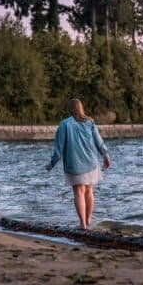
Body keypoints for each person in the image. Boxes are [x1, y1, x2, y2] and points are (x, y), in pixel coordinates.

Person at [46, 98, 111, 230]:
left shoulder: (64, 125)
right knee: (89, 191)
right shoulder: (90, 122)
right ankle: (88, 220)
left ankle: (82, 224)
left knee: (79, 193)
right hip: (92, 162)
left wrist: (51, 164)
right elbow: (99, 142)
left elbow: (58, 149)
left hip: (74, 165)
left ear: (69, 109)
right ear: (81, 108)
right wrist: (106, 156)